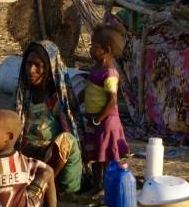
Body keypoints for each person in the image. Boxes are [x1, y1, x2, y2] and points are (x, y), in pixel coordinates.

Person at [14, 40, 84, 195]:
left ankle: (42, 187)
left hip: (55, 166)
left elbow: (72, 134)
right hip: (29, 159)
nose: (31, 70)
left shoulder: (59, 100)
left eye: (37, 65)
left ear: (50, 68)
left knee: (67, 140)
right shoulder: (24, 97)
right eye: (28, 64)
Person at [81, 24, 129, 188]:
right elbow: (90, 90)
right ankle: (97, 186)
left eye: (93, 46)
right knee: (96, 155)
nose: (90, 49)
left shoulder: (109, 74)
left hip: (106, 122)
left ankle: (106, 186)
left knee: (106, 156)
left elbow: (112, 101)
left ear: (106, 50)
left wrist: (98, 119)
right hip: (96, 120)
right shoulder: (96, 69)